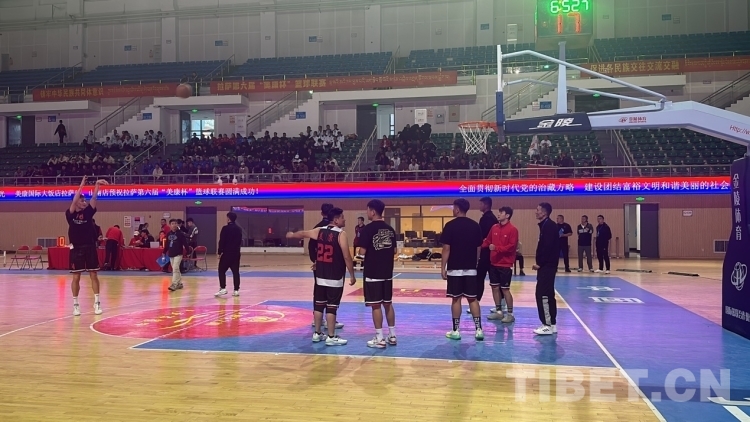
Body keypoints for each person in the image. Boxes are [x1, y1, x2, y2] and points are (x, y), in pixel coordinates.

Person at [287, 207, 356, 346]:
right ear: (336, 220)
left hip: (320, 275)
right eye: (342, 217)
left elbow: (303, 234)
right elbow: (347, 257)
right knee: (332, 307)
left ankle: (317, 333)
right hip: (334, 276)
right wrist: (352, 274)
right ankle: (331, 336)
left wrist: (292, 235)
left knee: (319, 305)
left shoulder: (319, 231)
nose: (344, 220)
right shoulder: (341, 234)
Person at [440, 198, 484, 341]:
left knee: (456, 299)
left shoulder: (450, 226)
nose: (453, 210)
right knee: (473, 299)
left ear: (457, 209)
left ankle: (456, 330)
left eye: (453, 207)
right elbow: (478, 248)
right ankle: (479, 330)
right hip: (471, 268)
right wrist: (475, 263)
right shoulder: (475, 226)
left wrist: (443, 267)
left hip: (454, 269)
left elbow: (446, 248)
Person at [66, 176, 108, 316]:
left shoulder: (88, 213)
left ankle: (97, 303)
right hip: (76, 249)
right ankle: (75, 305)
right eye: (82, 200)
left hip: (89, 247)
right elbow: (74, 201)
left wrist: (97, 185)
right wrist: (81, 186)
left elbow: (94, 199)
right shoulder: (70, 214)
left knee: (93, 275)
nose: (84, 202)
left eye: (84, 200)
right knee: (76, 277)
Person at [358, 199, 397, 348]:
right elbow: (394, 250)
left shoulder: (367, 230)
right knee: (388, 304)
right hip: (387, 272)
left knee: (376, 306)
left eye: (368, 210)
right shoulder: (390, 229)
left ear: (373, 212)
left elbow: (362, 252)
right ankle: (392, 335)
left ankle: (379, 338)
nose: (367, 212)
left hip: (373, 273)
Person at [307, 203, 344, 330]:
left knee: (319, 293)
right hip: (332, 267)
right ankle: (330, 322)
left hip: (320, 265)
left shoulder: (317, 228)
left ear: (322, 213)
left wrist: (315, 260)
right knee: (332, 293)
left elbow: (311, 246)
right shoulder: (336, 231)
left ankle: (318, 320)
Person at [482, 206, 518, 323]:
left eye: (501, 212)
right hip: (493, 263)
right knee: (495, 287)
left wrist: (496, 248)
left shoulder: (513, 229)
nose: (498, 214)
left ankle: (510, 314)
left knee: (505, 289)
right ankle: (498, 311)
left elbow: (511, 247)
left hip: (505, 264)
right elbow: (487, 241)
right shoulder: (494, 227)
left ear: (507, 215)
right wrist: (476, 245)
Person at [471, 197, 503, 316]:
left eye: (481, 204)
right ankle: (500, 305)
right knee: (495, 280)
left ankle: (476, 302)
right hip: (490, 252)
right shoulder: (492, 218)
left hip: (486, 253)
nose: (479, 206)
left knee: (480, 277)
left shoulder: (487, 219)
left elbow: (483, 237)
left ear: (486, 205)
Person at [533, 202, 560, 335]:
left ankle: (547, 324)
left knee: (543, 294)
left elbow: (548, 248)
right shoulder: (545, 226)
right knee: (548, 294)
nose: (536, 212)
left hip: (547, 266)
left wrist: (540, 263)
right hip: (547, 266)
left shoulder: (549, 226)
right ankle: (552, 324)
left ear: (544, 213)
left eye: (538, 210)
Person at [215, 212, 243, 296]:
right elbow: (239, 241)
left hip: (227, 253)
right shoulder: (239, 229)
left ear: (228, 219)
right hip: (236, 253)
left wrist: (219, 252)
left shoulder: (225, 228)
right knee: (236, 272)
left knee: (221, 270)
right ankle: (236, 290)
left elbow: (222, 241)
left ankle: (223, 288)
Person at [162, 219, 188, 292]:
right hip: (171, 254)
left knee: (175, 268)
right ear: (170, 225)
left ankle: (174, 284)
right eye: (172, 223)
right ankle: (179, 283)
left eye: (175, 223)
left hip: (178, 254)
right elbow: (167, 244)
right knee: (175, 269)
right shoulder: (168, 234)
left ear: (177, 225)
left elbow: (185, 243)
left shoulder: (180, 234)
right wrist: (164, 252)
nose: (174, 225)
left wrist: (188, 252)